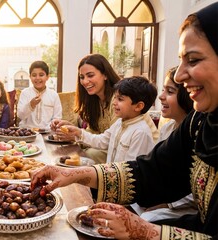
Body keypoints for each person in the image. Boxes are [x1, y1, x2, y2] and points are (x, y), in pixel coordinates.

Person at [31, 2, 218, 238]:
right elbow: (150, 171)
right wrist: (73, 174)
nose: (180, 75)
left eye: (193, 60)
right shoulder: (200, 123)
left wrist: (146, 231)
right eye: (181, 61)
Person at [139, 66, 196, 222]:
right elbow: (156, 170)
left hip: (186, 208)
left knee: (146, 219)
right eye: (163, 90)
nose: (161, 97)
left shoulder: (198, 136)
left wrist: (168, 203)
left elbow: (199, 190)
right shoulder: (167, 129)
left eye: (170, 92)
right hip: (161, 197)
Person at [56, 76, 157, 163]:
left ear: (138, 106)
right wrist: (79, 133)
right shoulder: (119, 123)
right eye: (115, 98)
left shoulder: (141, 132)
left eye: (120, 99)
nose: (114, 102)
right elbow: (101, 141)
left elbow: (132, 168)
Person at [51, 54, 121, 163]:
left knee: (84, 154)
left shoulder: (118, 100)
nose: (84, 81)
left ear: (105, 75)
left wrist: (78, 134)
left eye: (90, 75)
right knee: (62, 151)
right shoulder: (95, 100)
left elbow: (111, 141)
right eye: (82, 77)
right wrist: (72, 131)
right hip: (105, 147)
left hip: (123, 153)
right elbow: (91, 133)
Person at [17, 60, 62, 128]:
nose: (37, 78)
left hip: (48, 132)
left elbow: (57, 117)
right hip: (27, 133)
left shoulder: (54, 95)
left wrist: (50, 126)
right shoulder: (25, 93)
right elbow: (20, 115)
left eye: (41, 75)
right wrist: (31, 105)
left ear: (47, 77)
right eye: (34, 75)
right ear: (30, 77)